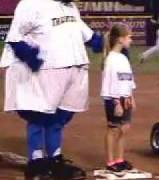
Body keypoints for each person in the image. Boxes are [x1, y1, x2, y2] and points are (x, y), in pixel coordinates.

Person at [0, 0, 103, 179]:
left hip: (74, 68)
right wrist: (30, 56)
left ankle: (54, 160)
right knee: (38, 114)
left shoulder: (70, 6)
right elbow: (15, 37)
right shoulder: (30, 4)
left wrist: (97, 41)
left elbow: (81, 31)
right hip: (44, 71)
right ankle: (36, 162)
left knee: (59, 118)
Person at [101, 23, 136, 176]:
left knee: (124, 129)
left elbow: (128, 78)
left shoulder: (123, 57)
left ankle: (120, 159)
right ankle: (110, 162)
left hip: (125, 98)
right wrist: (116, 102)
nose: (131, 40)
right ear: (120, 39)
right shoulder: (111, 59)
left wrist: (131, 96)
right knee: (113, 129)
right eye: (129, 37)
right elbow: (110, 82)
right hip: (114, 99)